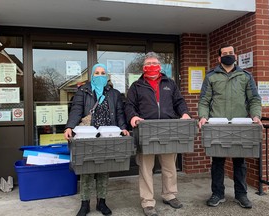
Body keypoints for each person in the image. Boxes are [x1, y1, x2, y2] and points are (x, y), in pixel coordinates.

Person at [125, 52, 191, 216]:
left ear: (160, 66)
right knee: (146, 168)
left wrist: (184, 113)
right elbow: (129, 105)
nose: (151, 66)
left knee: (169, 166)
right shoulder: (136, 86)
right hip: (146, 130)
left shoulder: (170, 83)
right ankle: (147, 202)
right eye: (148, 64)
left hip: (168, 129)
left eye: (154, 63)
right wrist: (133, 116)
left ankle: (169, 194)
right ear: (143, 68)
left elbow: (179, 101)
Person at [198, 45, 262, 209]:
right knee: (217, 161)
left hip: (240, 125)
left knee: (240, 161)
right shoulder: (211, 77)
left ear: (236, 56)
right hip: (217, 125)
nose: (228, 56)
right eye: (224, 54)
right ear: (219, 58)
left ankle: (241, 194)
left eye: (230, 53)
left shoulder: (245, 76)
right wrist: (203, 117)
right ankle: (217, 194)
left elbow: (254, 99)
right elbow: (204, 100)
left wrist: (256, 116)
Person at [64, 63, 130, 216]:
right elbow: (76, 110)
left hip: (107, 135)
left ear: (106, 76)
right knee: (87, 168)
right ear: (92, 75)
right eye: (97, 73)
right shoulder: (83, 91)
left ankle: (102, 202)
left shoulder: (114, 93)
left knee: (103, 169)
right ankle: (85, 203)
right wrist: (69, 127)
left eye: (102, 73)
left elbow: (120, 113)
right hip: (88, 135)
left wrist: (123, 127)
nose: (100, 76)